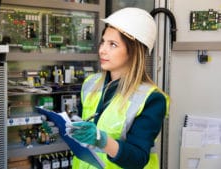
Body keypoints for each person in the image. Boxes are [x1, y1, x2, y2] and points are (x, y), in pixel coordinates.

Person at [68, 7, 170, 169]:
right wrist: (64, 128)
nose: (102, 50)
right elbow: (82, 126)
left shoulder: (152, 99)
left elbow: (137, 158)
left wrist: (101, 140)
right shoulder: (90, 84)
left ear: (133, 52)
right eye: (103, 42)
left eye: (113, 45)